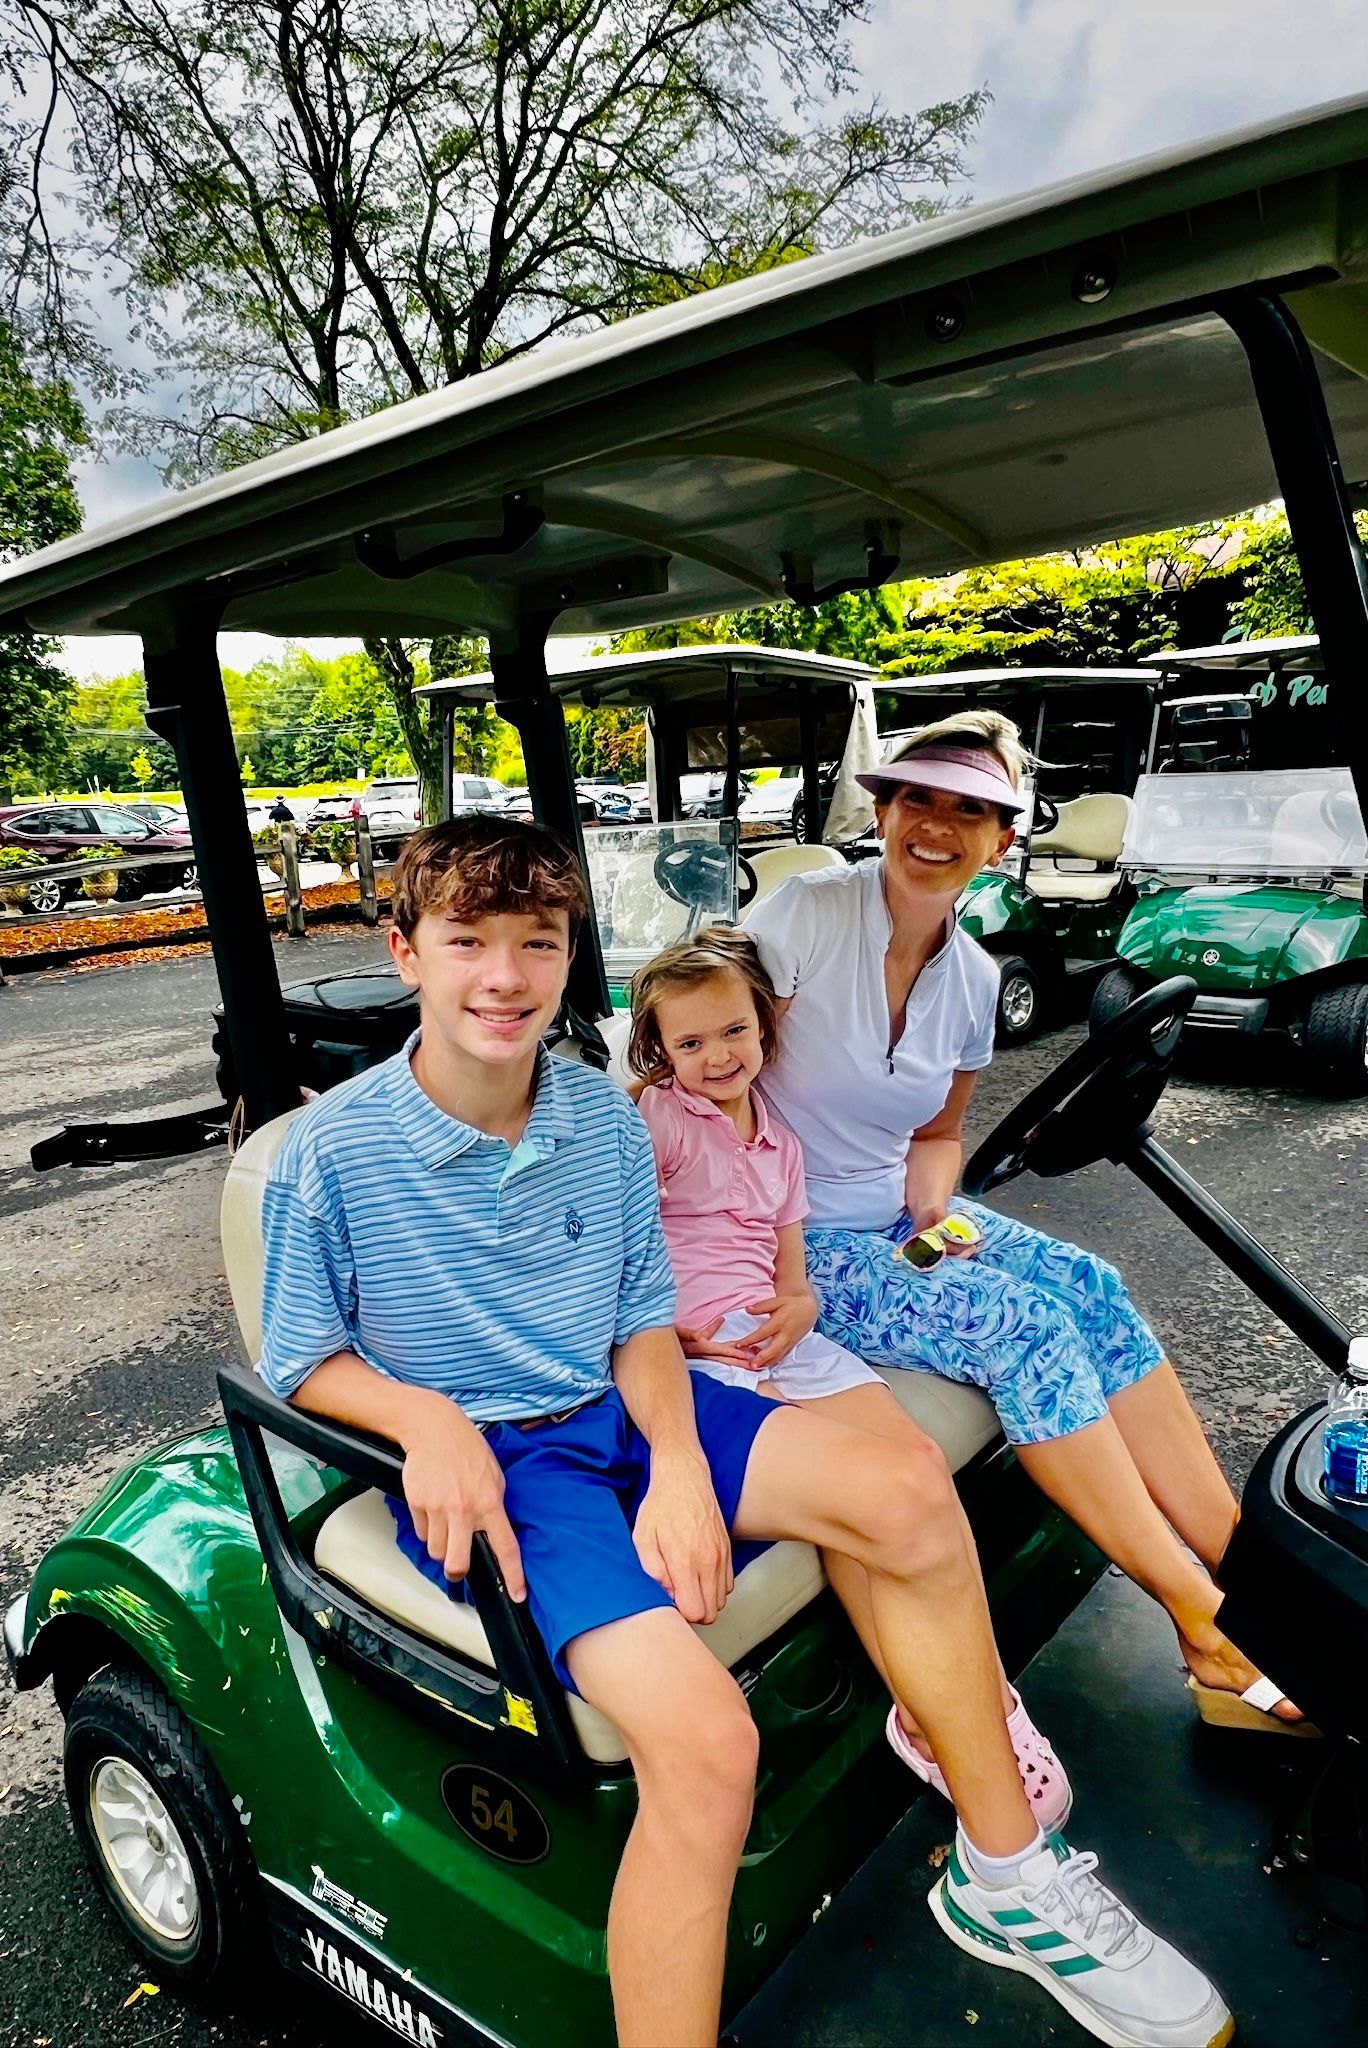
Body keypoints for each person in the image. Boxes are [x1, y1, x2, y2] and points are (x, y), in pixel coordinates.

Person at [256, 814, 1231, 2048]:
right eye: (465, 941)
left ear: (567, 959)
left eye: (534, 942)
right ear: (406, 952)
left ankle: (1007, 1874)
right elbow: (304, 1356)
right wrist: (420, 1415)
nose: (501, 976)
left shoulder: (600, 1119)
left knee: (909, 1487)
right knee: (711, 1747)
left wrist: (674, 1465)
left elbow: (638, 1319)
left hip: (629, 1403)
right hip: (505, 1465)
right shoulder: (334, 1152)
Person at [745, 708, 1303, 1735]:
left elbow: (941, 1132)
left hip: (894, 1218)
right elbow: (703, 1072)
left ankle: (1243, 1563)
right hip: (786, 1241)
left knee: (1093, 1285)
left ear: (1005, 837)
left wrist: (929, 1199)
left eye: (974, 810)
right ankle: (1204, 1627)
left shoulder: (968, 976)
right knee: (1024, 1327)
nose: (938, 825)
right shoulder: (802, 921)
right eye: (919, 797)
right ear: (886, 807)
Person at [628, 925, 1069, 1828]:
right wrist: (670, 1329)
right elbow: (620, 1246)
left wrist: (800, 1306)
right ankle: (943, 1718)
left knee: (917, 1467)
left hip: (783, 1333)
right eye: (691, 1042)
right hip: (703, 1353)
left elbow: (788, 1257)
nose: (717, 1056)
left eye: (734, 1032)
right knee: (856, 1497)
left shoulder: (779, 1140)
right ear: (660, 1052)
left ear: (764, 1027)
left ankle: (972, 1699)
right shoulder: (656, 1119)